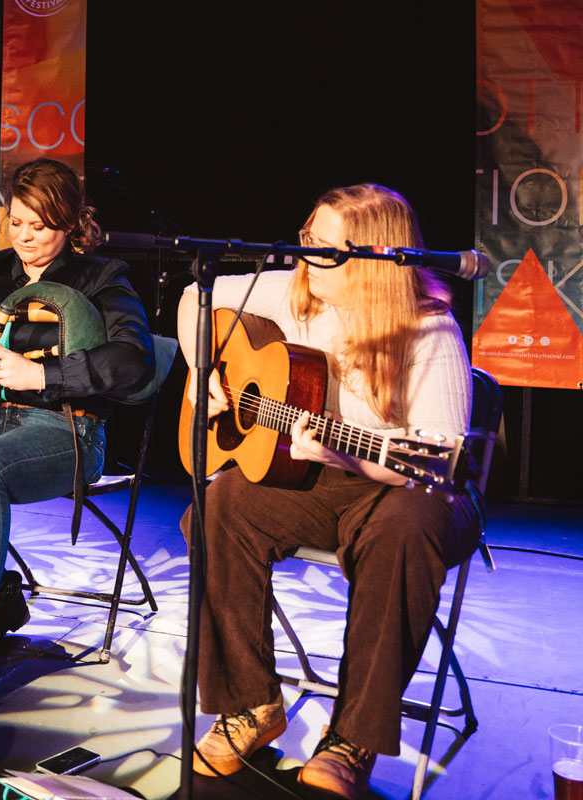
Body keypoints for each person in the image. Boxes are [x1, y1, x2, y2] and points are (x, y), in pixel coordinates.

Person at [176, 184, 480, 799]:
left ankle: (352, 737)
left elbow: (435, 462)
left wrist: (350, 453)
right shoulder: (292, 290)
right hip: (319, 478)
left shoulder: (428, 331)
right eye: (305, 236)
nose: (303, 252)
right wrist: (202, 373)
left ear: (375, 256)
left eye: (322, 244)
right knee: (222, 503)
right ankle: (251, 706)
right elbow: (193, 300)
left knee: (403, 528)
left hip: (411, 490)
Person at [0, 157, 155, 730]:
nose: (24, 237)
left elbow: (131, 359)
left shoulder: (103, 276)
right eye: (16, 222)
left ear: (69, 222)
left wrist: (42, 375)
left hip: (65, 429)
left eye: (39, 226)